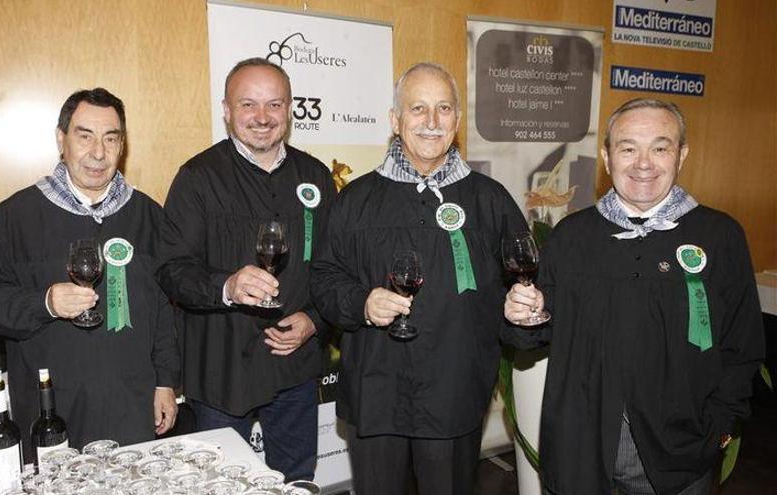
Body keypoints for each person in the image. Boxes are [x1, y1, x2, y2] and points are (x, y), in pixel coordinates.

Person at [504, 98, 765, 495]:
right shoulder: (572, 237)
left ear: (682, 155)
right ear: (608, 157)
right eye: (628, 148)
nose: (643, 163)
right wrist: (521, 316)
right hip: (581, 448)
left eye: (660, 147)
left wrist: (720, 427)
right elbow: (536, 332)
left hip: (680, 450)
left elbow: (742, 343)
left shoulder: (720, 236)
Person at [310, 62, 531, 494]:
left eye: (443, 108)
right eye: (418, 109)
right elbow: (323, 276)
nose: (431, 122)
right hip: (376, 396)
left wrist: (527, 311)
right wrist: (361, 303)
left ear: (458, 120)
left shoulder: (490, 201)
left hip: (454, 395)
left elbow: (521, 288)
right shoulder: (355, 200)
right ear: (395, 121)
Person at [0, 88, 180, 460]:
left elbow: (164, 309)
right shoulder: (13, 218)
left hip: (133, 405)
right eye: (85, 136)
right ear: (61, 139)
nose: (99, 153)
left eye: (110, 139)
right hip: (52, 410)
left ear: (122, 146)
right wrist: (43, 302)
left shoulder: (148, 216)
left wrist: (166, 382)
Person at [156, 58, 335, 481]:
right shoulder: (197, 177)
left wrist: (315, 319)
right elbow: (170, 269)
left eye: (274, 104)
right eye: (248, 104)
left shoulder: (316, 176)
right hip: (222, 370)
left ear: (290, 109)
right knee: (224, 485)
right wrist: (226, 286)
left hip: (295, 367)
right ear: (226, 110)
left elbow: (335, 269)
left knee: (297, 480)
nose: (261, 117)